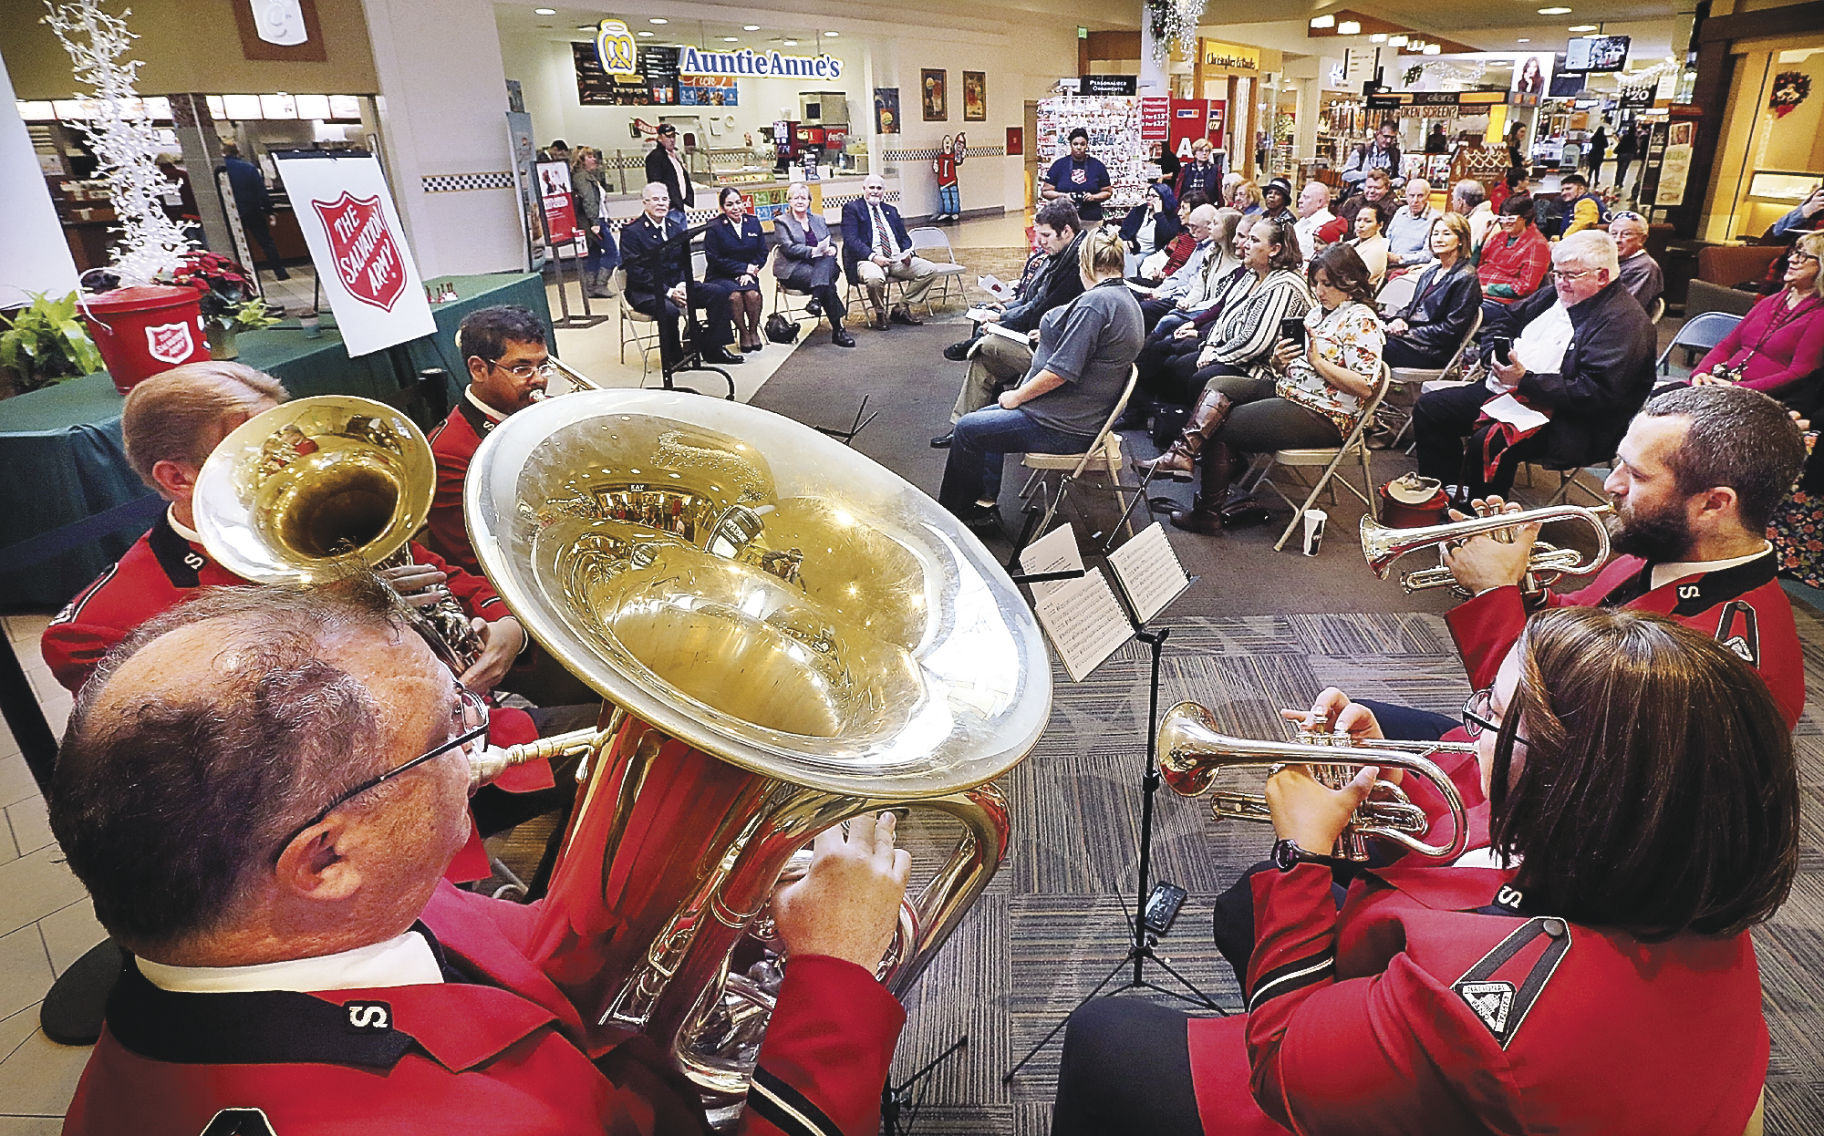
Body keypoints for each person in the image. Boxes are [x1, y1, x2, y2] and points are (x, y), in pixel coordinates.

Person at [51, 579, 912, 1136]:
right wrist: (834, 978)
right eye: (447, 734)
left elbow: (506, 964)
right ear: (323, 861)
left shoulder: (288, 917)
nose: (485, 738)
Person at [1050, 604, 1796, 1136]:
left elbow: (1279, 1067)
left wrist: (1302, 857)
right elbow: (1483, 850)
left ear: (1576, 785)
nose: (1466, 734)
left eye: (1490, 716)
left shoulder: (1487, 1008)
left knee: (1103, 1036)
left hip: (1466, 1079)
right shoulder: (1656, 851)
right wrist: (1391, 780)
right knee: (1240, 910)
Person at [40, 361, 559, 880]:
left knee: (631, 747)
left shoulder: (316, 518)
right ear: (178, 477)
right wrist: (345, 628)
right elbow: (221, 786)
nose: (291, 468)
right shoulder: (101, 626)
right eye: (254, 455)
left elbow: (444, 573)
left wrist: (505, 624)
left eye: (284, 440)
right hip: (353, 820)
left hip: (475, 733)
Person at [1439, 383, 1808, 732]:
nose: (1610, 484)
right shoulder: (1670, 548)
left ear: (1713, 504)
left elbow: (1526, 723)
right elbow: (1581, 623)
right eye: (1618, 463)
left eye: (1636, 474)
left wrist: (1493, 591)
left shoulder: (1706, 659)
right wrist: (1525, 586)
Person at [1137, 243, 1382, 534]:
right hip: (1291, 391)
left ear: (1349, 282)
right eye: (1316, 283)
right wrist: (1279, 361)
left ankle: (1207, 512)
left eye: (1327, 284)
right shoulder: (1319, 313)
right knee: (1218, 383)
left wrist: (1317, 362)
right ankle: (1183, 454)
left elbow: (1365, 387)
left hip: (1327, 413)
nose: (1319, 291)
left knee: (1223, 425)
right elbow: (1293, 366)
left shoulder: (1361, 320)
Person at [1415, 230, 1657, 500]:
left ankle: (1481, 522)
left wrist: (1524, 381)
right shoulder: (1553, 296)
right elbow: (1503, 320)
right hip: (1514, 394)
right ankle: (1444, 492)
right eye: (1557, 273)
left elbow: (1595, 393)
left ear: (1602, 276)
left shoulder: (1624, 323)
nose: (1560, 282)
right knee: (1431, 408)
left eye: (1570, 275)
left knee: (1490, 442)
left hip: (1571, 421)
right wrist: (1494, 355)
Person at [937, 227, 1142, 528]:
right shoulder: (1121, 297)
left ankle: (956, 517)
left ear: (1085, 263)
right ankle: (982, 504)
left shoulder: (1095, 305)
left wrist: (1018, 396)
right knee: (982, 420)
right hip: (1076, 414)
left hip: (1063, 424)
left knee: (968, 428)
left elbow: (1061, 372)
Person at [932, 202, 1087, 446]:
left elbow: (1041, 309)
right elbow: (1034, 301)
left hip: (1049, 350)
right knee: (984, 360)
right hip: (1043, 337)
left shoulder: (1075, 264)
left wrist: (1004, 318)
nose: (1041, 242)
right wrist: (1006, 313)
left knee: (989, 343)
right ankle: (964, 426)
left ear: (1066, 231)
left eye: (1046, 235)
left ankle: (976, 348)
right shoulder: (1061, 257)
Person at [1137, 218, 1312, 426]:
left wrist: (1216, 355)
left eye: (1254, 240)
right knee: (1172, 358)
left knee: (1196, 375)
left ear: (1274, 249)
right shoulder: (1253, 274)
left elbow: (1256, 342)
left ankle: (1197, 442)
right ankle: (1161, 422)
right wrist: (1209, 346)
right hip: (1234, 353)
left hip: (1265, 367)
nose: (1246, 244)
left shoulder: (1285, 285)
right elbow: (1224, 314)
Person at [425, 306, 552, 577]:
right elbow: (474, 557)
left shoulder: (549, 411)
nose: (539, 379)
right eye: (521, 369)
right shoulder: (448, 452)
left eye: (543, 366)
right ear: (478, 369)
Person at [1686, 230, 1824, 410]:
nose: (1792, 260)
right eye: (1795, 253)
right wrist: (1700, 373)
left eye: (1804, 256)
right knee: (1664, 397)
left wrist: (1738, 389)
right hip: (1723, 384)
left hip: (1761, 400)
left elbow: (1800, 372)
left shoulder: (1819, 315)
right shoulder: (1770, 301)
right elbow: (1727, 345)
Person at [619, 182, 740, 368]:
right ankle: (674, 359)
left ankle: (715, 348)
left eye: (664, 199)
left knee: (718, 292)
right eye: (655, 199)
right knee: (669, 310)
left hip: (677, 284)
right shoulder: (632, 232)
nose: (661, 204)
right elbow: (637, 272)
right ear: (645, 203)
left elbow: (684, 262)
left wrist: (683, 284)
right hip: (645, 291)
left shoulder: (675, 226)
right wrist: (668, 292)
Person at [841, 175, 941, 329]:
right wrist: (874, 257)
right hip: (867, 259)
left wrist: (909, 253)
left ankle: (901, 308)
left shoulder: (891, 210)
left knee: (929, 270)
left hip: (896, 258)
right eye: (871, 188)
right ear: (864, 189)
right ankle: (880, 313)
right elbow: (851, 240)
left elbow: (904, 238)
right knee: (874, 279)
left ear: (884, 191)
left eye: (879, 188)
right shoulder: (852, 209)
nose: (875, 191)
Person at [1384, 213, 1482, 369]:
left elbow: (1451, 330)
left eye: (1447, 233)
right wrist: (1399, 319)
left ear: (1461, 240)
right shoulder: (1430, 272)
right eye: (1435, 234)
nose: (1438, 238)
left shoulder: (1467, 277)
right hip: (1410, 340)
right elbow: (1411, 307)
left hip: (1432, 351)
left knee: (1371, 349)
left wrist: (1408, 331)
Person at [772, 181, 853, 348]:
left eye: (804, 198)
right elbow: (788, 248)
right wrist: (813, 251)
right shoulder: (781, 222)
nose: (800, 201)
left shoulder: (819, 220)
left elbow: (830, 243)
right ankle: (838, 330)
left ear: (809, 201)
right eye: (796, 198)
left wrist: (831, 249)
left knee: (827, 261)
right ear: (790, 201)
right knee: (827, 285)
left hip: (821, 265)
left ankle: (816, 300)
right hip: (794, 269)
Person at [704, 186, 768, 354]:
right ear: (722, 208)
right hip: (720, 275)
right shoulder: (714, 227)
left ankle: (753, 330)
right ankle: (743, 332)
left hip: (748, 275)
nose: (736, 208)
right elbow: (714, 258)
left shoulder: (753, 222)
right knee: (735, 297)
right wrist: (742, 268)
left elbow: (762, 252)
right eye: (730, 204)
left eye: (738, 203)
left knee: (752, 295)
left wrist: (749, 271)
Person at [1476, 194, 1553, 322]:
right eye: (1502, 217)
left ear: (1525, 217)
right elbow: (1473, 265)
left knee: (1459, 309)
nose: (1505, 222)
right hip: (1477, 293)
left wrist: (1487, 289)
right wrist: (1482, 239)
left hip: (1503, 303)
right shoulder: (1499, 237)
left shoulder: (1537, 245)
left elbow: (1526, 287)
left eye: (1511, 217)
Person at [220, 141, 286, 281]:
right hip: (252, 210)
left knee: (235, 243)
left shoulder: (221, 169)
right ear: (237, 152)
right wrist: (269, 211)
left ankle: (237, 274)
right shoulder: (249, 168)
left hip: (231, 211)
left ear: (223, 152)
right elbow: (261, 191)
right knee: (266, 242)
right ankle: (280, 272)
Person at [570, 146, 617, 299]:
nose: (594, 159)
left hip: (593, 220)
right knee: (612, 253)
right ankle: (600, 285)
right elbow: (589, 200)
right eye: (589, 157)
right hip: (596, 222)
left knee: (594, 254)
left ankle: (590, 287)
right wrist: (595, 222)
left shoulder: (587, 176)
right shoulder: (582, 177)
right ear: (581, 160)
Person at [1041, 127, 1113, 223]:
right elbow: (1046, 191)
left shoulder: (1097, 165)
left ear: (1087, 145)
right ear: (1070, 145)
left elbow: (1107, 192)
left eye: (1082, 144)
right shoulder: (1059, 165)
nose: (1079, 147)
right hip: (1063, 220)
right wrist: (1063, 196)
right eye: (1075, 144)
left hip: (1091, 219)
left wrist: (1093, 197)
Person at [1118, 182, 1182, 276]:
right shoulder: (1139, 211)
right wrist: (1126, 240)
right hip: (1132, 249)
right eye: (1148, 195)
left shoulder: (1171, 217)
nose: (1149, 199)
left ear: (1163, 198)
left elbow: (1167, 236)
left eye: (1153, 196)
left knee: (1130, 264)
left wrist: (1159, 214)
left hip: (1151, 254)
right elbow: (1124, 230)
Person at [1607, 210, 1664, 314]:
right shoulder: (1616, 261)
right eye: (1614, 234)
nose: (1617, 240)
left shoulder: (1644, 268)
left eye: (1626, 234)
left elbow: (1623, 310)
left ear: (1642, 239)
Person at [1384, 177, 1440, 275]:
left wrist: (1400, 259)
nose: (1415, 200)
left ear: (1428, 196)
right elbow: (1387, 237)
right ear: (1406, 196)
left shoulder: (1436, 219)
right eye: (1411, 195)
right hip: (1387, 262)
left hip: (1412, 269)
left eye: (1420, 196)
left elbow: (1428, 254)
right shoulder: (1400, 212)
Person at [642, 122, 695, 210]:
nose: (672, 140)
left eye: (673, 136)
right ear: (659, 138)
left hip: (680, 205)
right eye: (668, 137)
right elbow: (656, 185)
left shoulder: (675, 156)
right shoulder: (655, 157)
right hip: (669, 208)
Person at [1340, 120, 1401, 192]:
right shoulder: (1361, 151)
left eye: (1392, 138)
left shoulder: (1396, 154)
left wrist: (1389, 181)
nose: (1388, 141)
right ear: (1377, 134)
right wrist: (1368, 174)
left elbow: (1402, 178)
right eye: (1386, 136)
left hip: (1385, 196)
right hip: (1361, 194)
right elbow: (1345, 175)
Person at [1346, 200, 1391, 289]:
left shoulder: (1378, 251)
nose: (1360, 225)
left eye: (1368, 221)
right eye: (1358, 220)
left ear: (1380, 225)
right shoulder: (1350, 243)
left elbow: (1357, 281)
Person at [1292, 182, 1335, 265]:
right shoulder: (1301, 222)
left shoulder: (1329, 224)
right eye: (1300, 197)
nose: (1299, 201)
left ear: (1320, 202)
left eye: (1306, 197)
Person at [1450, 178, 1495, 250]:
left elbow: (1466, 253)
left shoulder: (1476, 221)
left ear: (1460, 202)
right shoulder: (1486, 214)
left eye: (1453, 199)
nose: (1452, 202)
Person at [1557, 172, 1604, 237]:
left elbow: (1583, 224)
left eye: (1568, 189)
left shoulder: (1586, 202)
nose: (1563, 193)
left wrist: (1562, 241)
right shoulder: (1577, 202)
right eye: (1562, 190)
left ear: (1581, 189)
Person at [1176, 137, 1221, 202]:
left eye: (1207, 151)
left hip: (1207, 206)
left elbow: (1219, 193)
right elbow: (1178, 191)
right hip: (1188, 205)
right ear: (1195, 153)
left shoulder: (1215, 170)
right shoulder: (1186, 169)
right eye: (1201, 150)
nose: (1204, 153)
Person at [1613, 123, 1640, 194]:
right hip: (1629, 154)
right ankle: (1620, 182)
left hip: (1621, 154)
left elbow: (1620, 143)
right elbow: (1636, 146)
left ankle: (1616, 182)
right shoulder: (1634, 138)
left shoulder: (1625, 136)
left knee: (1619, 168)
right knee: (1624, 169)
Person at [1586, 121, 1609, 186]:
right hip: (1600, 154)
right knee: (1597, 169)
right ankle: (1596, 181)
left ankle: (1588, 181)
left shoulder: (1594, 137)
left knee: (1591, 169)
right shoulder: (1603, 138)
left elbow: (1591, 141)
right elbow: (1606, 145)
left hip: (1593, 153)